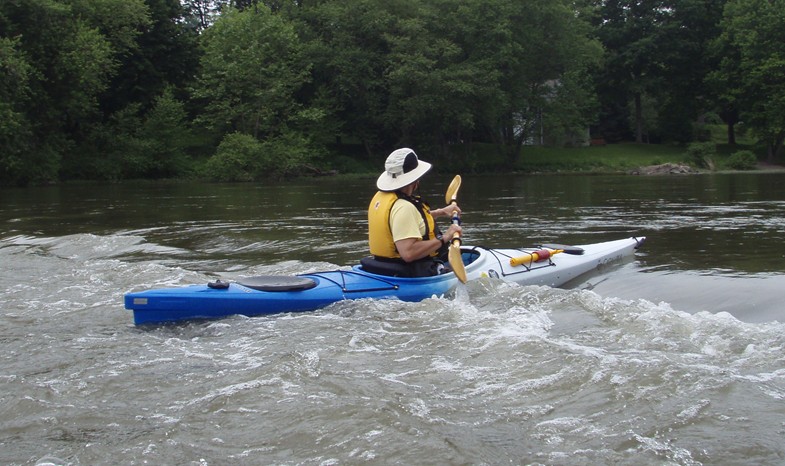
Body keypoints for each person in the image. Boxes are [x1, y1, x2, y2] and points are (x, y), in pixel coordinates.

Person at [364, 148, 463, 277]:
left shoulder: (382, 196)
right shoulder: (404, 207)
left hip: (380, 267)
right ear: (414, 181)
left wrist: (441, 212)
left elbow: (404, 222)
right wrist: (445, 237)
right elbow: (408, 253)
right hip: (409, 272)